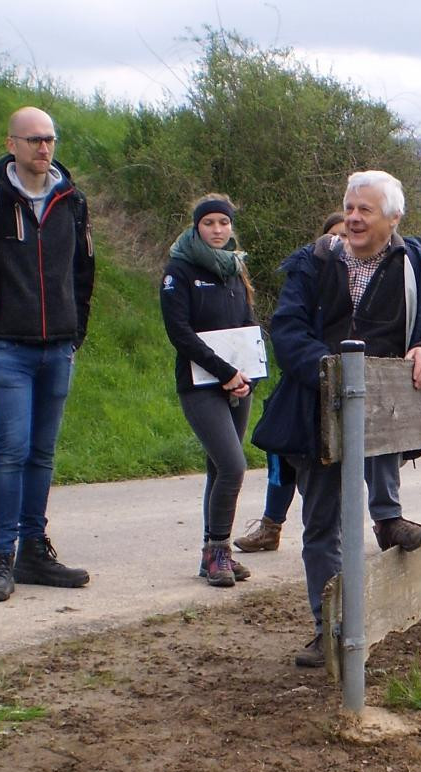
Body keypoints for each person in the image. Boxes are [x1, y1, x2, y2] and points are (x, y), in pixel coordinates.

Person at [263, 170, 421, 667]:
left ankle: (387, 522)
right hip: (316, 410)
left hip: (384, 413)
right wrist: (331, 377)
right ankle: (330, 630)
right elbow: (286, 329)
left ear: (392, 218)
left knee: (365, 511)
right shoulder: (314, 263)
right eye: (349, 208)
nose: (352, 218)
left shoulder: (418, 267)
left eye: (365, 210)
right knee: (322, 524)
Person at [0, 106, 95, 602]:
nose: (44, 148)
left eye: (50, 139)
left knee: (42, 452)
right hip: (6, 345)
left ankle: (35, 549)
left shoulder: (70, 200)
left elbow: (83, 274)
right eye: (34, 139)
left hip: (57, 346)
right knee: (11, 448)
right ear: (11, 144)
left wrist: (76, 332)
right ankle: (1, 558)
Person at [159, 194, 259, 587]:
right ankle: (218, 548)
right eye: (209, 224)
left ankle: (214, 553)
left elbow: (248, 326)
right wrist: (224, 372)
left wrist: (249, 374)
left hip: (238, 384)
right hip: (200, 384)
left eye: (223, 223)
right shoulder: (178, 272)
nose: (217, 230)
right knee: (234, 466)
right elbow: (179, 333)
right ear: (196, 227)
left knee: (218, 469)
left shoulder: (235, 269)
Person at [234, 212, 346, 554]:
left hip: (342, 387)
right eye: (334, 236)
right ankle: (271, 526)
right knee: (281, 454)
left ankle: (379, 522)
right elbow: (289, 329)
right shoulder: (309, 274)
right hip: (300, 382)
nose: (341, 241)